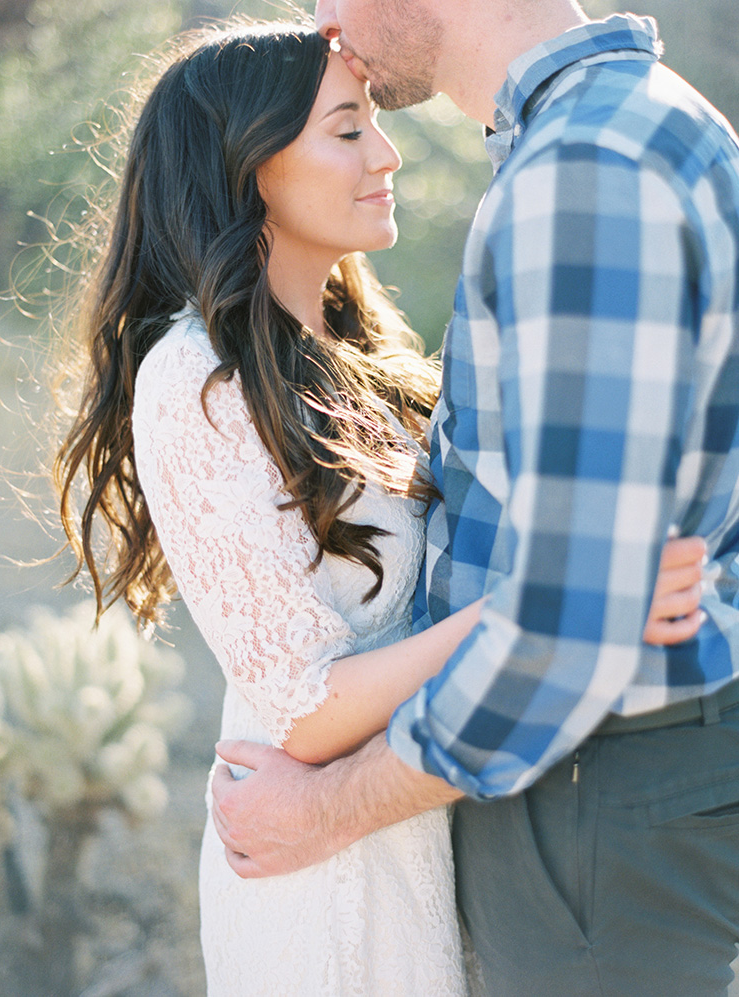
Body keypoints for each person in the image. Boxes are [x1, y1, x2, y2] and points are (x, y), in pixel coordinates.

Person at [53, 13, 704, 997]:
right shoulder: (195, 380)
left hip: (421, 832)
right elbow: (306, 708)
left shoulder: (361, 364)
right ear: (249, 167)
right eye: (348, 128)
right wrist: (565, 602)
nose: (388, 152)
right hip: (328, 884)